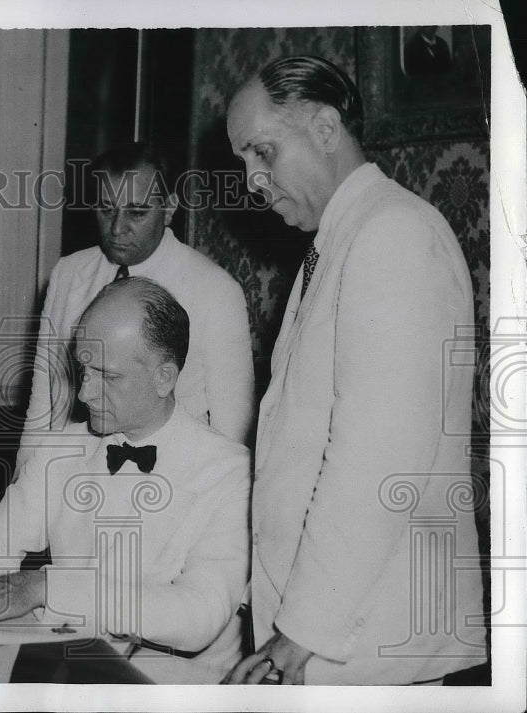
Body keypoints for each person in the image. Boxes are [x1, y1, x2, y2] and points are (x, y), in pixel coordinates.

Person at [223, 55, 486, 685]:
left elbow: (378, 459)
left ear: (324, 127)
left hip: (374, 644)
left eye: (262, 152)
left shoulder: (392, 234)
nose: (253, 181)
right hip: (342, 639)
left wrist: (296, 636)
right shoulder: (339, 243)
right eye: (242, 163)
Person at [0, 278, 251, 684]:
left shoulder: (228, 471)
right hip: (72, 666)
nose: (85, 393)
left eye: (107, 376)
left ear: (165, 378)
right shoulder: (64, 449)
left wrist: (46, 588)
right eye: (82, 369)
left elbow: (200, 614)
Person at [24, 141, 254, 447]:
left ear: (169, 207)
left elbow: (232, 432)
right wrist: (25, 482)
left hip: (170, 482)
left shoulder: (215, 291)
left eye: (137, 212)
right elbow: (43, 399)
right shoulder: (68, 273)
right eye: (106, 209)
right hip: (71, 473)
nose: (117, 228)